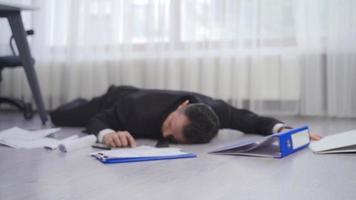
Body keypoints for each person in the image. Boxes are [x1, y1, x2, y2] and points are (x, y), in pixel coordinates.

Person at [50, 85, 321, 148]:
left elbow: (254, 121)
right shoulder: (136, 108)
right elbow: (97, 122)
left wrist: (286, 130)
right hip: (116, 99)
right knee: (59, 116)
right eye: (169, 126)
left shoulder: (217, 112)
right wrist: (108, 133)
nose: (164, 136)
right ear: (182, 106)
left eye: (173, 138)